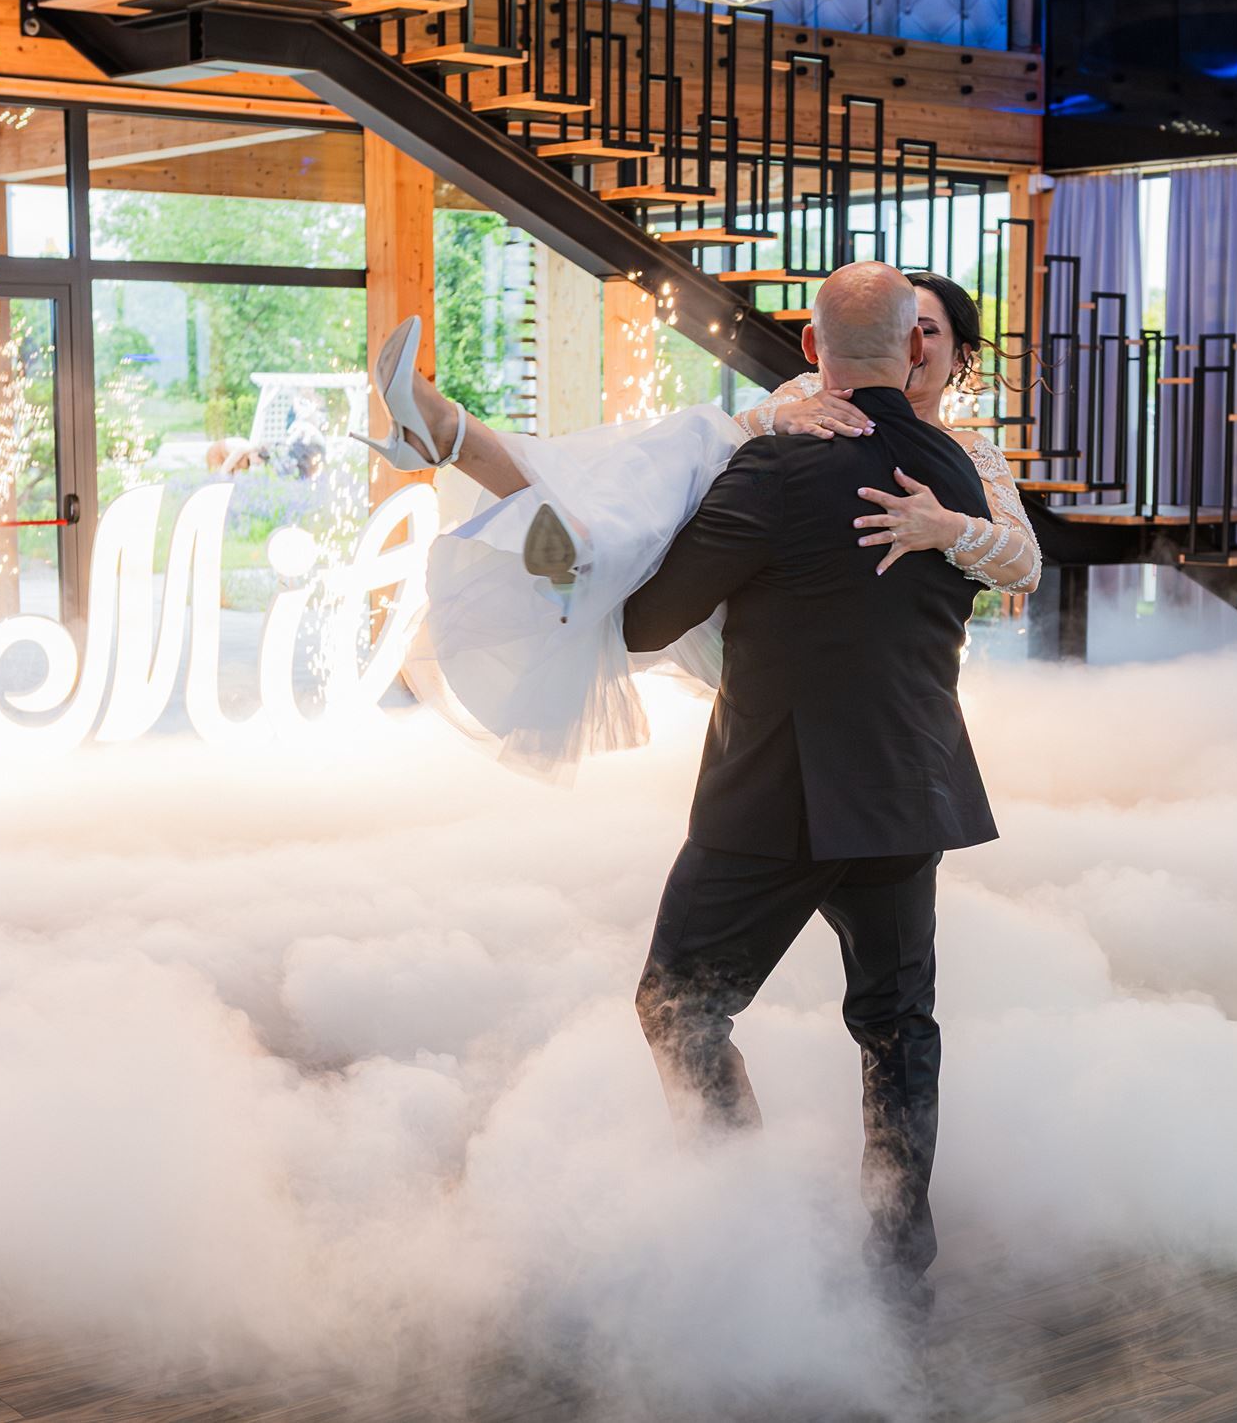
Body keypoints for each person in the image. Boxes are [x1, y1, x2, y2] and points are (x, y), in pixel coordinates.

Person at [620, 261, 995, 1313]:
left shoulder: (776, 470)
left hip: (773, 795)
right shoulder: (953, 472)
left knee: (677, 1006)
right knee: (897, 1025)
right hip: (907, 788)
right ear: (914, 348)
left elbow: (647, 622)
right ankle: (897, 1265)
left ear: (807, 346)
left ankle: (744, 1228)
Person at [355, 270, 1037, 771]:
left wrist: (946, 527)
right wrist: (777, 417)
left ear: (952, 355)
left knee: (673, 477)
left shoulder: (969, 457)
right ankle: (522, 500)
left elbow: (1025, 564)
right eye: (897, 323)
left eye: (926, 330)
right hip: (746, 610)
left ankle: (558, 541)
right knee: (703, 440)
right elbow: (733, 466)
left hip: (865, 662)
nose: (904, 338)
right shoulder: (815, 391)